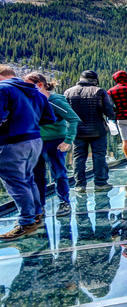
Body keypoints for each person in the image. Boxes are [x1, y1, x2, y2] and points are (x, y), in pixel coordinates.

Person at [0, 66, 56, 241]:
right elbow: (49, 118)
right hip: (35, 141)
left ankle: (26, 223)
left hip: (12, 142)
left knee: (16, 182)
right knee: (28, 178)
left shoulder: (3, 90)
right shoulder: (36, 91)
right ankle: (37, 213)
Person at [27, 73, 81, 217]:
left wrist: (68, 141)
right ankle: (40, 207)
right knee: (37, 175)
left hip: (55, 141)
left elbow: (74, 119)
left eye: (28, 84)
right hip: (37, 142)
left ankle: (64, 203)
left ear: (40, 85)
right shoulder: (33, 99)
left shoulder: (55, 101)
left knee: (59, 173)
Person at [64, 70, 116, 193]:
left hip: (77, 130)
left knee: (78, 157)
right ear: (94, 80)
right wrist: (113, 118)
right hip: (97, 130)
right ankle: (100, 183)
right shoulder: (99, 91)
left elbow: (65, 112)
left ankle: (80, 184)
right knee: (99, 156)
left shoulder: (68, 92)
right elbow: (109, 110)